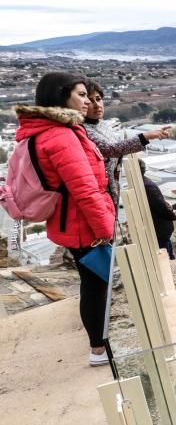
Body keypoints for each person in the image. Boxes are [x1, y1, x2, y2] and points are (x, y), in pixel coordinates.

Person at [14, 73, 116, 366]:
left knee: (94, 284)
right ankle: (99, 349)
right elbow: (84, 190)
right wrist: (105, 229)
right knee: (98, 286)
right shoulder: (61, 136)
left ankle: (100, 345)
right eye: (81, 95)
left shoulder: (48, 130)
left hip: (71, 221)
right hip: (83, 224)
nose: (87, 101)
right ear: (61, 96)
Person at [83, 81, 171, 204]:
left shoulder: (102, 124)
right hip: (98, 193)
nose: (97, 105)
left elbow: (119, 144)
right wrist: (147, 136)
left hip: (111, 188)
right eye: (90, 101)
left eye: (98, 99)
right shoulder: (83, 129)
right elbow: (111, 149)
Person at [139, 159, 176, 259]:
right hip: (159, 225)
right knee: (165, 247)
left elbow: (160, 206)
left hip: (160, 225)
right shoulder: (146, 183)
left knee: (164, 251)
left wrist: (173, 216)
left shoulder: (147, 186)